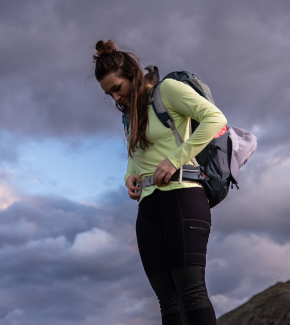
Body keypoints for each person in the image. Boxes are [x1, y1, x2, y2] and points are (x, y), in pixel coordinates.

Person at [93, 39, 226, 325]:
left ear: (133, 75)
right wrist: (129, 176)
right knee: (167, 300)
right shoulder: (130, 113)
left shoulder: (167, 91)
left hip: (183, 197)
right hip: (149, 207)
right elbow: (135, 155)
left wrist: (176, 158)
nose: (115, 98)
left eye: (117, 88)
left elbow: (215, 119)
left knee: (191, 292)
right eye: (109, 94)